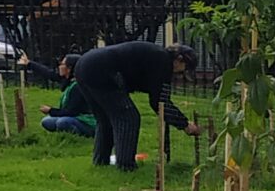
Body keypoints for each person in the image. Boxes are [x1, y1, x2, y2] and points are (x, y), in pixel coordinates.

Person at [70, 37, 197, 169]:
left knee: (105, 118)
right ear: (179, 59)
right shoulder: (163, 63)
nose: (181, 74)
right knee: (128, 117)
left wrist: (180, 122)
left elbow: (159, 100)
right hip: (101, 70)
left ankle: (100, 162)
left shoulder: (157, 56)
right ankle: (126, 166)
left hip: (84, 64)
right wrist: (185, 124)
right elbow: (159, 102)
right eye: (185, 68)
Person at [39, 52, 95, 137]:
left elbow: (71, 112)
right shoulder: (70, 82)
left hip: (85, 120)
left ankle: (81, 135)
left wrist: (51, 110)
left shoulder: (78, 87)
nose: (60, 66)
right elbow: (49, 74)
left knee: (62, 122)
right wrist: (29, 63)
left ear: (69, 68)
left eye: (62, 64)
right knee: (46, 121)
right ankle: (66, 131)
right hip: (74, 117)